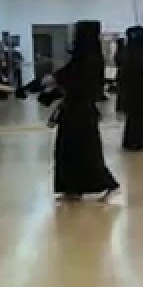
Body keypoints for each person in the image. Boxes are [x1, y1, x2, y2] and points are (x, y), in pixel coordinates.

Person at [39, 20, 119, 202]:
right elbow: (68, 75)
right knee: (67, 150)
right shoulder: (82, 57)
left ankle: (110, 185)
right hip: (73, 110)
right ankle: (72, 188)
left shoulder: (91, 59)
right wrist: (50, 87)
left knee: (87, 152)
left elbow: (75, 79)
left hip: (82, 113)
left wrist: (54, 81)